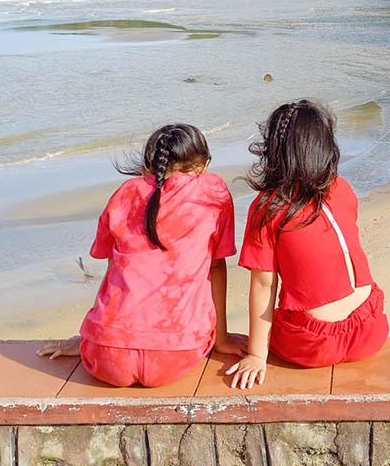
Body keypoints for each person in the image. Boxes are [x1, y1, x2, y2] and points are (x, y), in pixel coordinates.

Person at [39, 123, 243, 385]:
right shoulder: (213, 192)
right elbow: (216, 266)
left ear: (148, 166)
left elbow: (115, 272)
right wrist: (222, 339)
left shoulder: (124, 193)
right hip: (175, 355)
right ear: (203, 165)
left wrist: (92, 336)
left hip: (105, 356)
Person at [226, 100, 389, 388]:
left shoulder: (270, 208)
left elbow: (264, 285)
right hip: (371, 327)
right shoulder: (342, 188)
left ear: (275, 151)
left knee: (275, 323)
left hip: (315, 343)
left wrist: (256, 354)